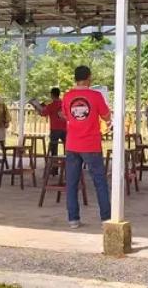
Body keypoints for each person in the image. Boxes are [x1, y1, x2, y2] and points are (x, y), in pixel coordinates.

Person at [62, 65, 111, 228]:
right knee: (99, 182)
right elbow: (106, 115)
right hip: (91, 144)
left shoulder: (67, 96)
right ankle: (106, 218)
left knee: (72, 183)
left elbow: (66, 115)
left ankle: (73, 219)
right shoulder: (95, 96)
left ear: (75, 78)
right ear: (89, 78)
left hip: (72, 144)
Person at [31, 87, 67, 157]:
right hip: (65, 129)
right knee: (67, 148)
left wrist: (36, 107)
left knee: (54, 147)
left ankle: (54, 165)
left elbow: (43, 113)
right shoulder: (64, 104)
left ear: (52, 95)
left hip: (55, 129)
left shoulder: (51, 105)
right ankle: (66, 164)